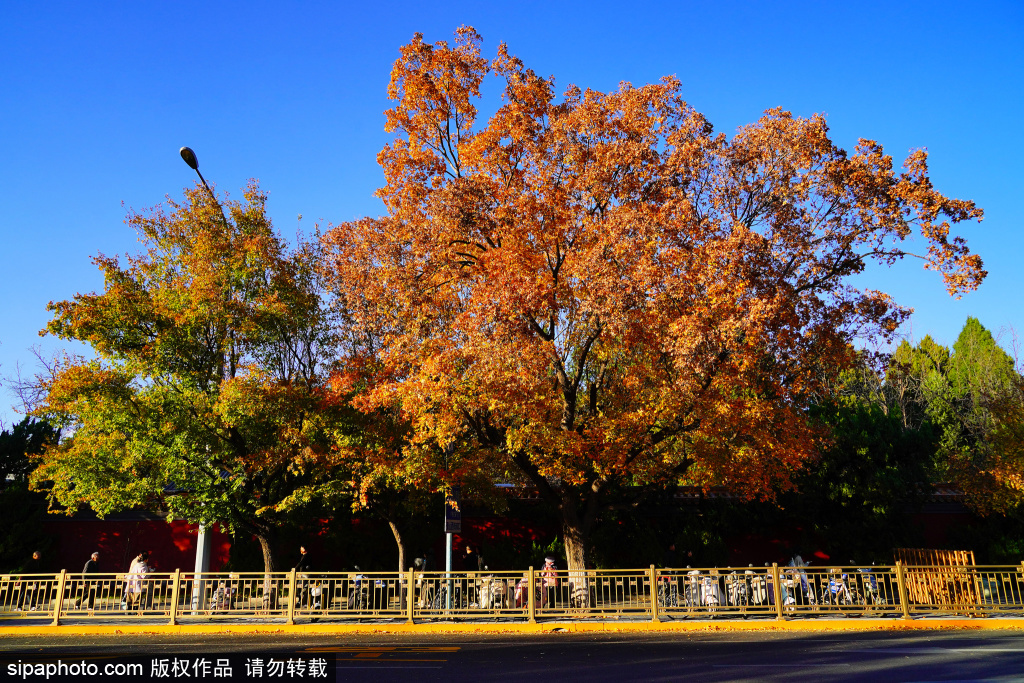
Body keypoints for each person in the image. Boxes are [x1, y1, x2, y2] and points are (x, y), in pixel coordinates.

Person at [294, 546, 314, 610]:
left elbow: (301, 563)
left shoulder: (306, 555)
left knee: (303, 587)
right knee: (300, 587)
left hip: (306, 574)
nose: (301, 549)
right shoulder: (304, 555)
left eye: (302, 548)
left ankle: (303, 601)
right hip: (303, 574)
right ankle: (301, 600)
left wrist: (295, 568)